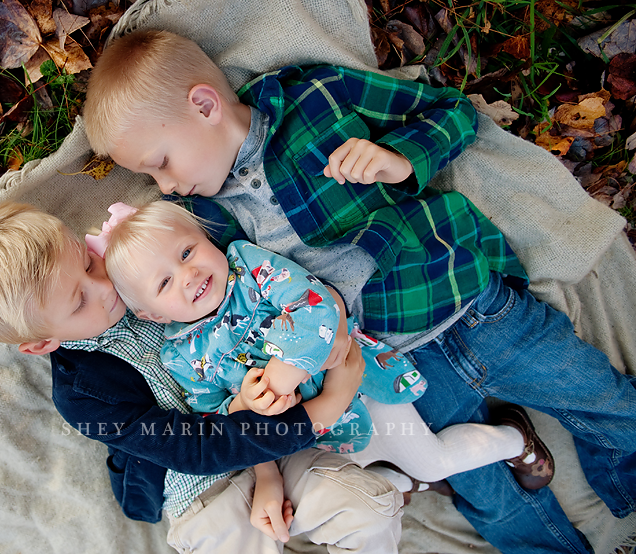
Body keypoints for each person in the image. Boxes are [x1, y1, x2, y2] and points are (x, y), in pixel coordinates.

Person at [82, 28, 636, 554]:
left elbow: (451, 112)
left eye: (161, 165)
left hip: (464, 299)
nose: (167, 187)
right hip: (394, 366)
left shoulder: (315, 99)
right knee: (484, 494)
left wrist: (400, 160)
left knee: (603, 399)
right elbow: (202, 313)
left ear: (204, 106)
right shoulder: (199, 226)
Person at [0, 200, 405, 553]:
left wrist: (329, 321)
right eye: (78, 301)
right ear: (42, 343)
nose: (104, 289)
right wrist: (323, 409)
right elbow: (194, 448)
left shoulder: (151, 263)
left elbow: (263, 276)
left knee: (367, 508)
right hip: (207, 488)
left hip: (280, 438)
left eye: (86, 263)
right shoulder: (82, 396)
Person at [98, 199, 554, 544]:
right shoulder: (180, 356)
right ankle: (403, 481)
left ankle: (515, 438)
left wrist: (279, 378)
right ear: (151, 315)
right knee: (344, 497)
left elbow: (314, 305)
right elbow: (224, 425)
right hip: (311, 437)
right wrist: (261, 459)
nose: (189, 274)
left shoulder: (248, 266)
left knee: (430, 457)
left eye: (187, 252)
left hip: (360, 390)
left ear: (207, 242)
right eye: (164, 283)